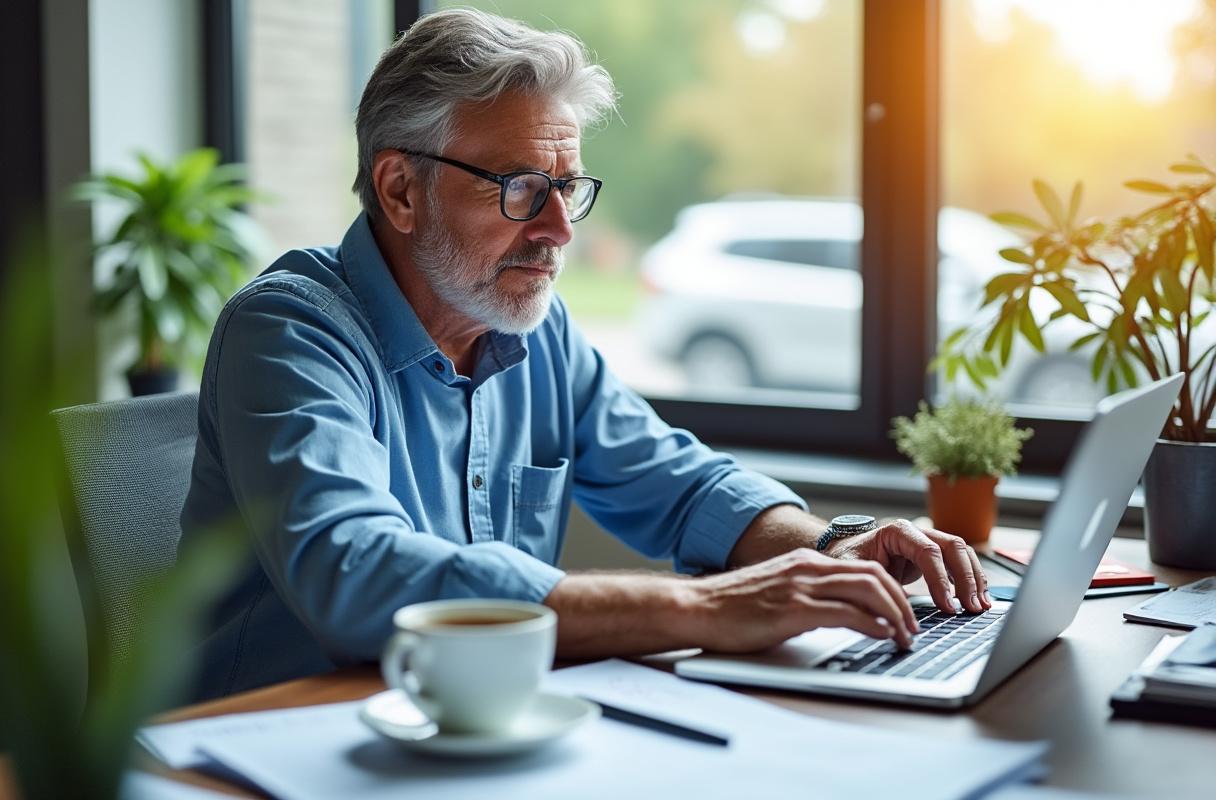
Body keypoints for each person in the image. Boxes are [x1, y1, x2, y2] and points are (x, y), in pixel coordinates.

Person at [180, 8, 990, 701]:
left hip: (470, 732)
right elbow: (355, 575)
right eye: (522, 188)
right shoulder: (289, 332)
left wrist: (825, 550)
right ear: (399, 190)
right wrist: (709, 610)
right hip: (266, 744)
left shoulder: (534, 329)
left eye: (566, 188)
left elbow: (681, 485)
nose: (560, 229)